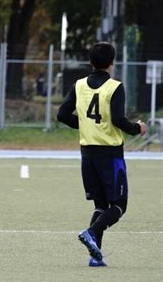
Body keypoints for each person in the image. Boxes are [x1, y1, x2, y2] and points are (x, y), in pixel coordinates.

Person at [57, 42, 147, 266]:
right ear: (112, 63)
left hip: (87, 153)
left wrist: (84, 124)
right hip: (110, 155)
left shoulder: (78, 85)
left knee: (100, 206)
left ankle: (95, 257)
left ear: (90, 62)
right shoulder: (115, 87)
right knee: (119, 206)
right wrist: (138, 128)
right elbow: (117, 120)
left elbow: (61, 114)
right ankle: (91, 232)